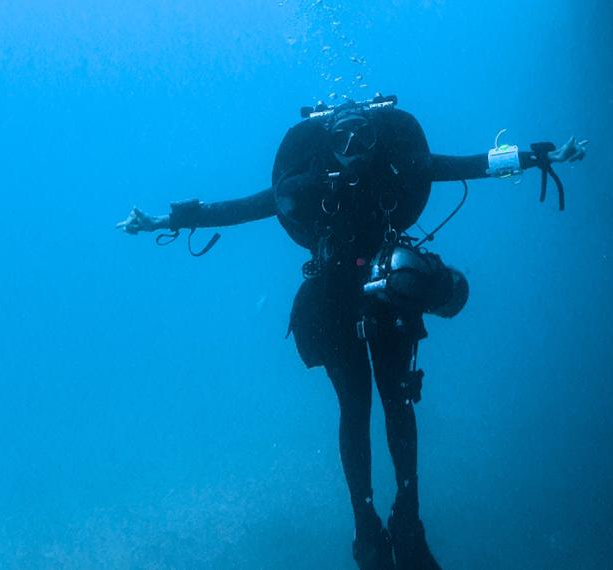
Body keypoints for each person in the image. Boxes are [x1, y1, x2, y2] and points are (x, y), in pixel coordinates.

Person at [117, 95, 586, 570]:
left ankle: (408, 519)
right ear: (328, 142)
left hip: (390, 297)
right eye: (343, 138)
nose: (354, 146)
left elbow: (467, 164)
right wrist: (167, 219)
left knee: (397, 401)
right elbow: (245, 207)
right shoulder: (312, 183)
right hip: (332, 305)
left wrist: (538, 154)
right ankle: (366, 527)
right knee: (355, 409)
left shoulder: (397, 170)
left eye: (363, 135)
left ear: (376, 136)